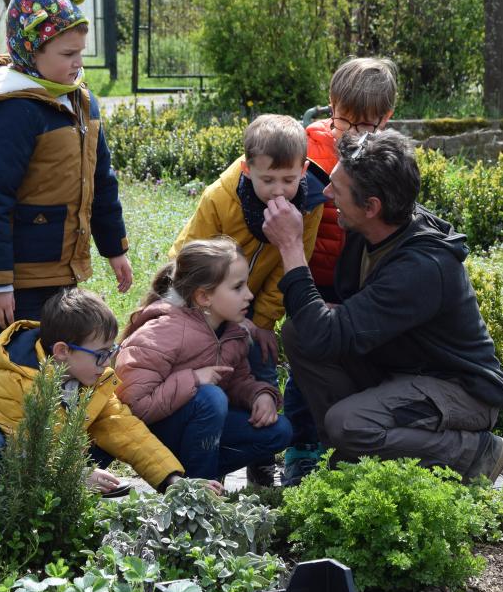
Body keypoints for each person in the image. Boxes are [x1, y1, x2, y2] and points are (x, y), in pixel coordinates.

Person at [262, 130, 503, 483]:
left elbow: (327, 338)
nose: (327, 194)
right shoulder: (369, 232)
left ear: (372, 206)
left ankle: (474, 454)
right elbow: (322, 332)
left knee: (347, 423)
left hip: (458, 387)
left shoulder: (422, 267)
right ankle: (348, 457)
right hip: (400, 364)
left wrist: (290, 245)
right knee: (299, 331)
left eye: (337, 188)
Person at [0, 0, 132, 338]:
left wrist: (114, 248)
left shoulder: (81, 101)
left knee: (65, 365)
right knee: (24, 371)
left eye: (81, 52)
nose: (78, 63)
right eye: (67, 55)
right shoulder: (12, 112)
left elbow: (101, 181)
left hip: (65, 269)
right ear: (31, 51)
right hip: (21, 279)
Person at [168, 114, 326, 484]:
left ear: (304, 169)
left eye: (289, 180)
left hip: (253, 302)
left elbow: (290, 264)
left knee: (262, 364)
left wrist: (264, 321)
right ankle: (203, 460)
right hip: (201, 296)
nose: (278, 191)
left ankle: (261, 458)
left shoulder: (309, 204)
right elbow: (191, 260)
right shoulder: (220, 198)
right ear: (246, 167)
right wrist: (206, 311)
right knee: (212, 371)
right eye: (267, 180)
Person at [0, 288, 217, 494]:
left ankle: (76, 492)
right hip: (10, 464)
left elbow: (124, 429)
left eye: (111, 352)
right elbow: (25, 447)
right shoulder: (14, 380)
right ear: (62, 351)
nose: (106, 364)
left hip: (54, 462)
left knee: (111, 435)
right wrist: (76, 474)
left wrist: (172, 479)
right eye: (100, 355)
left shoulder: (93, 378)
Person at [282, 56, 400, 485]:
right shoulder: (308, 147)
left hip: (355, 278)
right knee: (305, 354)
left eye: (364, 126)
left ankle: (342, 438)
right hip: (309, 271)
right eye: (342, 120)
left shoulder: (383, 158)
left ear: (385, 118)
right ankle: (300, 446)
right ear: (330, 107)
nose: (350, 133)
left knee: (346, 355)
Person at [115, 237, 294, 482]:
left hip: (199, 429)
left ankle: (194, 481)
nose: (250, 295)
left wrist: (259, 395)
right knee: (210, 397)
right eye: (238, 287)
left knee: (279, 431)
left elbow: (237, 380)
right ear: (203, 297)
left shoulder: (233, 332)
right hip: (153, 438)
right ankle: (196, 494)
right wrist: (193, 379)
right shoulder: (163, 332)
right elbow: (133, 407)